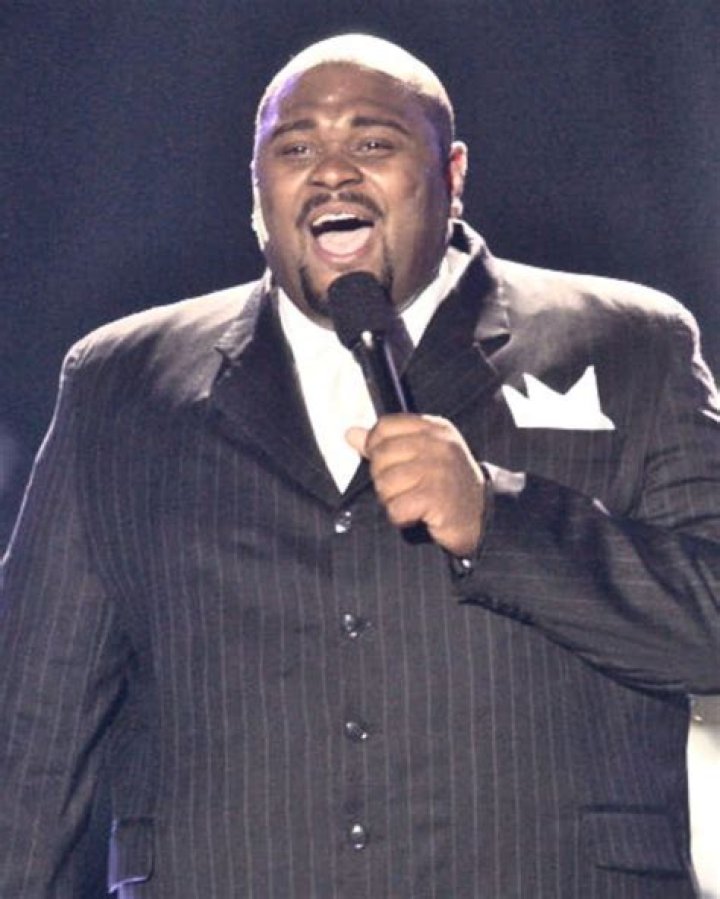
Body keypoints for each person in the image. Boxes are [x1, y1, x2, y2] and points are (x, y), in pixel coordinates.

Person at [1, 33, 719, 899]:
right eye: (296, 149)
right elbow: (31, 736)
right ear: (258, 192)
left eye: (373, 142)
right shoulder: (122, 382)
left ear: (453, 175)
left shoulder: (629, 342)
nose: (333, 174)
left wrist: (502, 522)